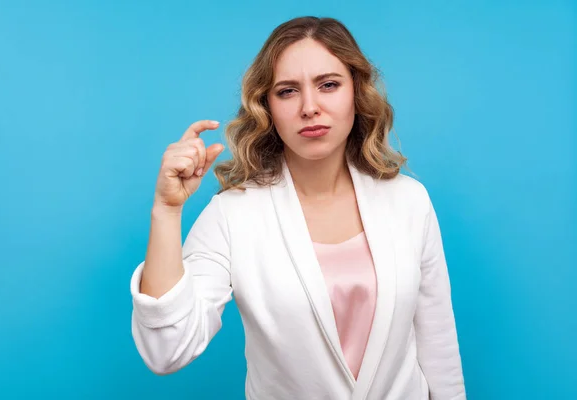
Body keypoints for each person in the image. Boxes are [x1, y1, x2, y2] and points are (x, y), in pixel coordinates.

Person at [129, 16, 466, 400]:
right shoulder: (233, 215)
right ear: (266, 106)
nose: (310, 107)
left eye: (328, 85)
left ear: (355, 92)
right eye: (288, 91)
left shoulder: (409, 200)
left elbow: (438, 348)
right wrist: (166, 211)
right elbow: (166, 351)